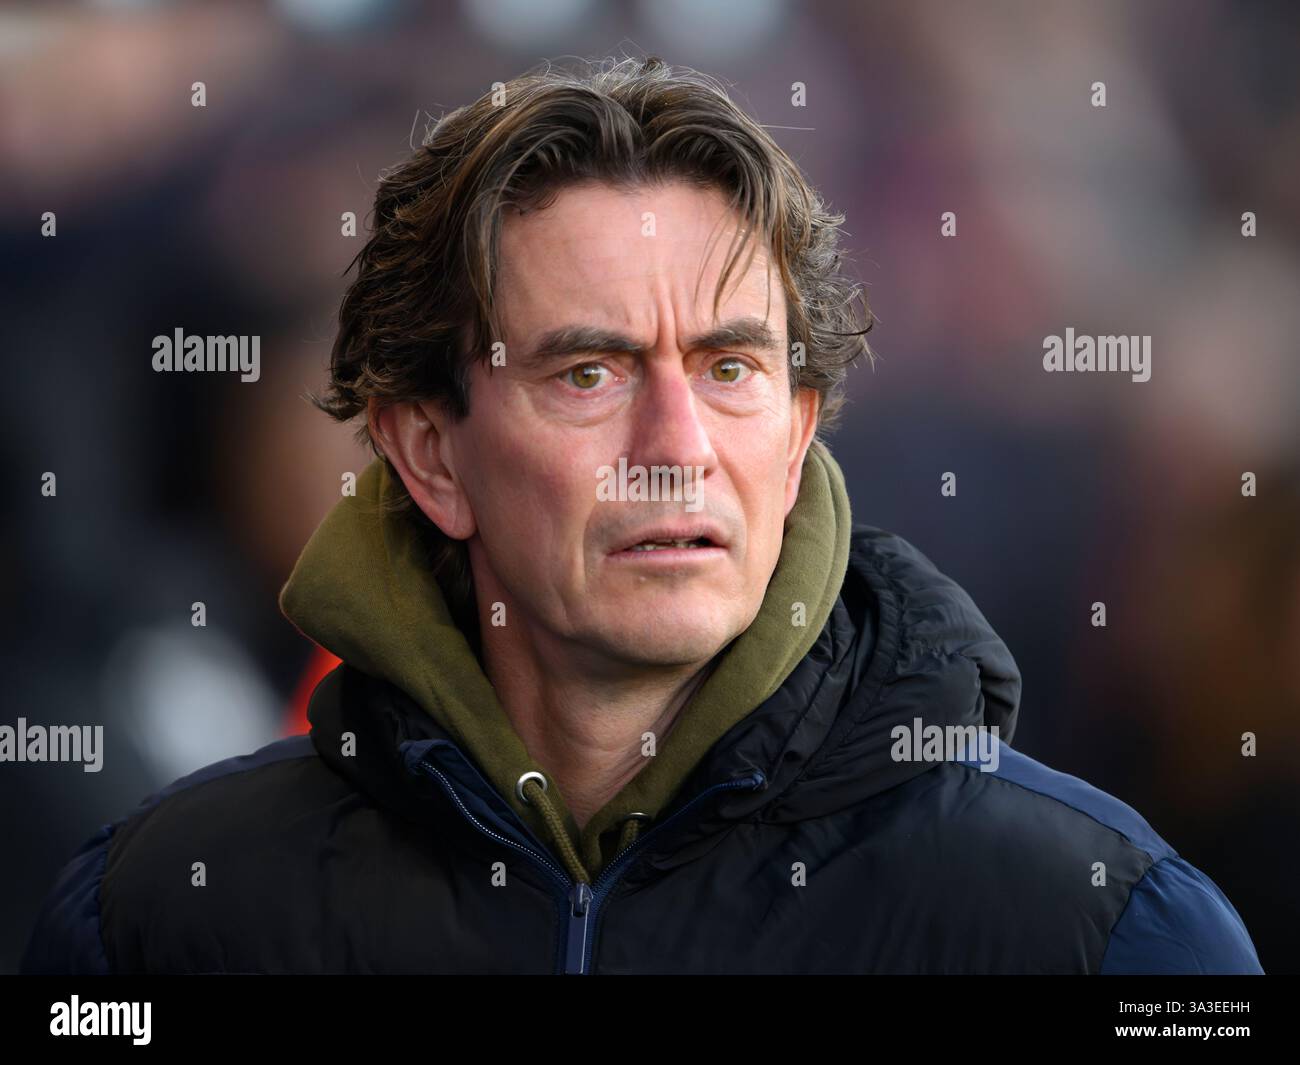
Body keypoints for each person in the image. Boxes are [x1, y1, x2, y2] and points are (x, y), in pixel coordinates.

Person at [22, 56, 1262, 975]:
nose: (675, 450)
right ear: (427, 452)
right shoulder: (156, 920)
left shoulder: (1109, 931)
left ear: (796, 435)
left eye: (730, 370)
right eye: (589, 373)